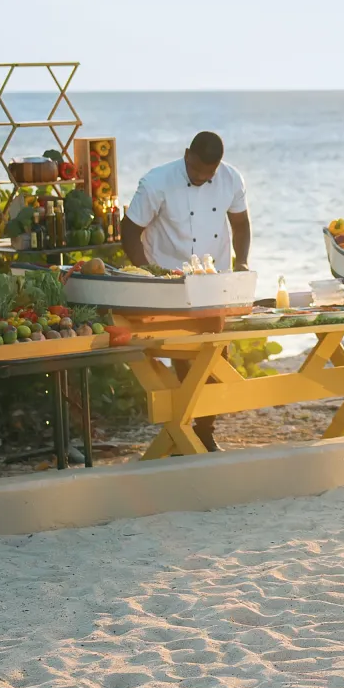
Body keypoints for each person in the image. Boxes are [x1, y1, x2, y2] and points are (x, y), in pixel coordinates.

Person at [122, 130, 251, 450]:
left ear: (218, 167)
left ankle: (204, 427)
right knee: (183, 356)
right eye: (195, 170)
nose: (200, 177)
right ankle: (186, 429)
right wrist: (147, 273)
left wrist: (243, 263)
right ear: (186, 155)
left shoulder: (232, 179)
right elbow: (129, 229)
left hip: (213, 279)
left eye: (208, 173)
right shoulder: (156, 182)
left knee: (217, 353)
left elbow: (241, 224)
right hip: (169, 280)